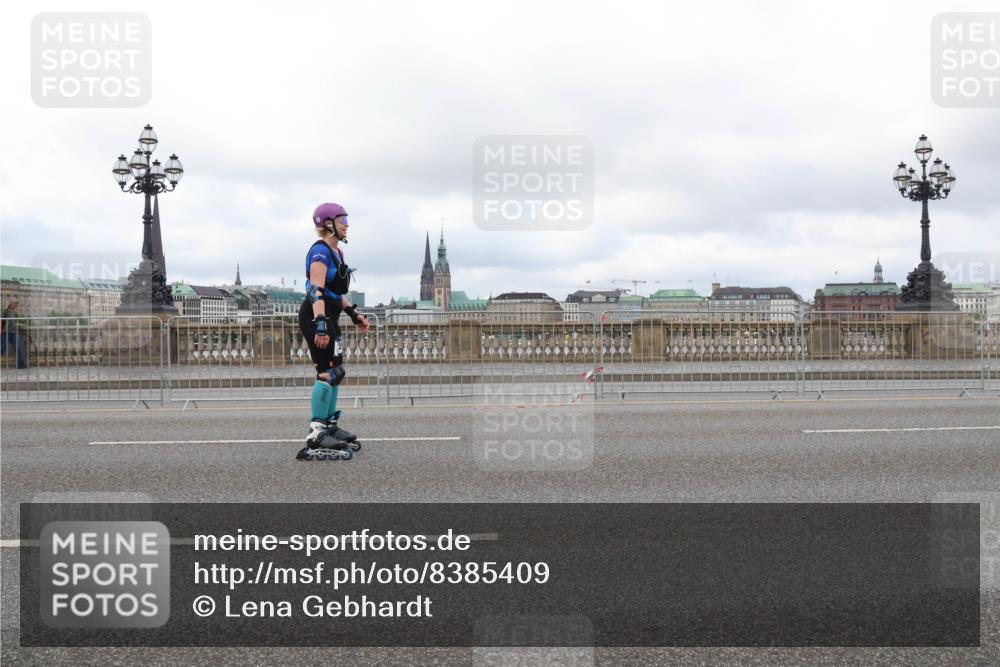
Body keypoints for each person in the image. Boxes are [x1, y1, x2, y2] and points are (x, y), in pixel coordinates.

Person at [296, 202, 370, 461]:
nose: (347, 224)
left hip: (331, 314)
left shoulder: (338, 253)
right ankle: (316, 432)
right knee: (326, 373)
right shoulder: (320, 251)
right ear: (329, 223)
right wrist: (319, 323)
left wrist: (354, 313)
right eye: (343, 220)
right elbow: (315, 289)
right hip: (317, 315)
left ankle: (329, 425)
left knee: (337, 372)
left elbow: (336, 293)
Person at [1, 298, 28, 369]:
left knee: (19, 347)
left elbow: (16, 322)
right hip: (5, 332)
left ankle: (21, 365)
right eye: (15, 304)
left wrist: (23, 325)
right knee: (1, 348)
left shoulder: (14, 312)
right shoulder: (5, 311)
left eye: (16, 304)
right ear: (11, 303)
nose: (16, 305)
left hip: (14, 332)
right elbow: (0, 320)